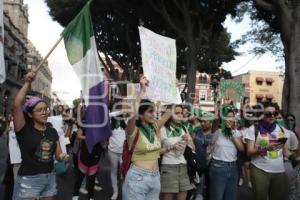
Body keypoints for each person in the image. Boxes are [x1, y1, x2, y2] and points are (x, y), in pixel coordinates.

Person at [12, 70, 69, 200]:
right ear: (30, 114)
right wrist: (28, 82)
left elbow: (58, 155)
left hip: (50, 178)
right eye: (39, 110)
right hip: (29, 180)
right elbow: (16, 105)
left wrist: (62, 157)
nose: (44, 113)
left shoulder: (52, 131)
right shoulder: (23, 129)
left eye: (45, 109)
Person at [122, 76, 170, 200]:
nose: (154, 114)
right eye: (150, 111)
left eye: (154, 111)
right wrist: (142, 90)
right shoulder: (133, 131)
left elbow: (170, 111)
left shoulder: (154, 127)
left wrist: (172, 89)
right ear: (141, 114)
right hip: (138, 178)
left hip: (155, 178)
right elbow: (132, 112)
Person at [245, 101, 300, 200]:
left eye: (275, 113)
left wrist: (295, 158)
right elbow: (249, 151)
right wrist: (266, 149)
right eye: (268, 114)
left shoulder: (281, 130)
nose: (272, 116)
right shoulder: (253, 129)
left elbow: (285, 150)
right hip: (260, 169)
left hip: (279, 171)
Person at [160, 105, 195, 200]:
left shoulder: (184, 128)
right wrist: (171, 147)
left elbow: (193, 149)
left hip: (183, 167)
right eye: (177, 113)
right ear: (170, 115)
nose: (180, 115)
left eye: (181, 113)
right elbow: (155, 152)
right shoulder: (162, 129)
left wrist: (189, 139)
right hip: (168, 167)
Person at [208, 109, 244, 200]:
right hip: (218, 167)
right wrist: (218, 108)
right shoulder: (218, 131)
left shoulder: (237, 133)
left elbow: (242, 149)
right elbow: (215, 122)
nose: (230, 119)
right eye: (227, 116)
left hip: (233, 168)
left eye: (232, 116)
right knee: (217, 196)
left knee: (230, 197)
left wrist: (231, 133)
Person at [72, 116, 104, 200]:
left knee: (92, 178)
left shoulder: (101, 126)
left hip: (96, 153)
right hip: (85, 153)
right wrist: (89, 138)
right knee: (80, 176)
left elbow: (104, 138)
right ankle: (75, 194)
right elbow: (78, 136)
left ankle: (91, 197)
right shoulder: (84, 125)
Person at [193, 112, 215, 200]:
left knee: (211, 187)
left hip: (211, 164)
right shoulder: (197, 131)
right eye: (201, 121)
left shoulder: (215, 134)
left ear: (211, 123)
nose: (202, 123)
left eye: (205, 122)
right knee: (199, 186)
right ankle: (198, 194)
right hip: (198, 163)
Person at [108, 115, 126, 200]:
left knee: (123, 173)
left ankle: (124, 191)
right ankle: (115, 192)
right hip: (112, 151)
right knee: (114, 171)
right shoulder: (110, 122)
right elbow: (107, 115)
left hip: (124, 153)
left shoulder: (126, 121)